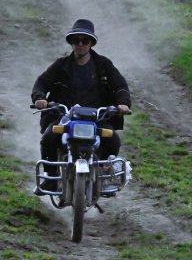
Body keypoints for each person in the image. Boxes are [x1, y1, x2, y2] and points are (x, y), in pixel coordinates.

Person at [31, 19, 131, 172]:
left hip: (97, 118)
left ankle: (105, 172)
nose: (80, 44)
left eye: (85, 40)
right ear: (71, 43)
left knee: (113, 140)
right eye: (76, 40)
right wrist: (40, 98)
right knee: (48, 138)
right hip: (65, 118)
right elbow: (42, 82)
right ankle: (50, 178)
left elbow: (120, 86)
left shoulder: (104, 65)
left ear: (91, 43)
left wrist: (123, 103)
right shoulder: (61, 65)